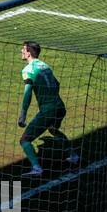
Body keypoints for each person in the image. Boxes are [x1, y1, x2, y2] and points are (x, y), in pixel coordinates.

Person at [17, 40, 73, 177]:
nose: (21, 51)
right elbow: (57, 83)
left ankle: (37, 168)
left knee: (24, 140)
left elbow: (28, 93)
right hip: (60, 106)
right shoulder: (45, 65)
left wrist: (23, 114)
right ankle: (73, 155)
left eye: (23, 49)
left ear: (29, 53)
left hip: (48, 110)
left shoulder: (28, 70)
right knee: (53, 129)